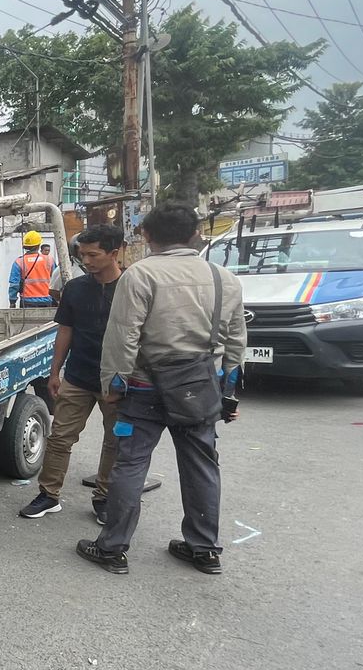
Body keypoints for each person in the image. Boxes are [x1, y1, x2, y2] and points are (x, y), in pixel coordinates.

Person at [77, 205, 247, 575]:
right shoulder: (224, 279)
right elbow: (235, 342)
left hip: (143, 389)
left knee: (131, 465)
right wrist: (229, 393)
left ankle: (112, 549)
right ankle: (204, 549)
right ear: (193, 235)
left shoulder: (140, 275)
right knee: (202, 466)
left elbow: (122, 337)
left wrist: (113, 386)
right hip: (199, 390)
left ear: (148, 236)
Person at [18, 224, 126, 524]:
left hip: (116, 380)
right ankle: (48, 495)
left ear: (113, 253)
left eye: (93, 255)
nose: (87, 261)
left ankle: (103, 497)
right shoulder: (76, 288)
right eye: (83, 255)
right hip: (78, 375)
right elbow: (65, 330)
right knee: (61, 437)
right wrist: (55, 372)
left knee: (114, 441)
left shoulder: (132, 287)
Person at [9, 230, 61, 308]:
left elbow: (14, 284)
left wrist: (12, 301)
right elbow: (57, 279)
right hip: (47, 300)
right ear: (39, 245)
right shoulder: (49, 260)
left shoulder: (19, 262)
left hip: (27, 301)